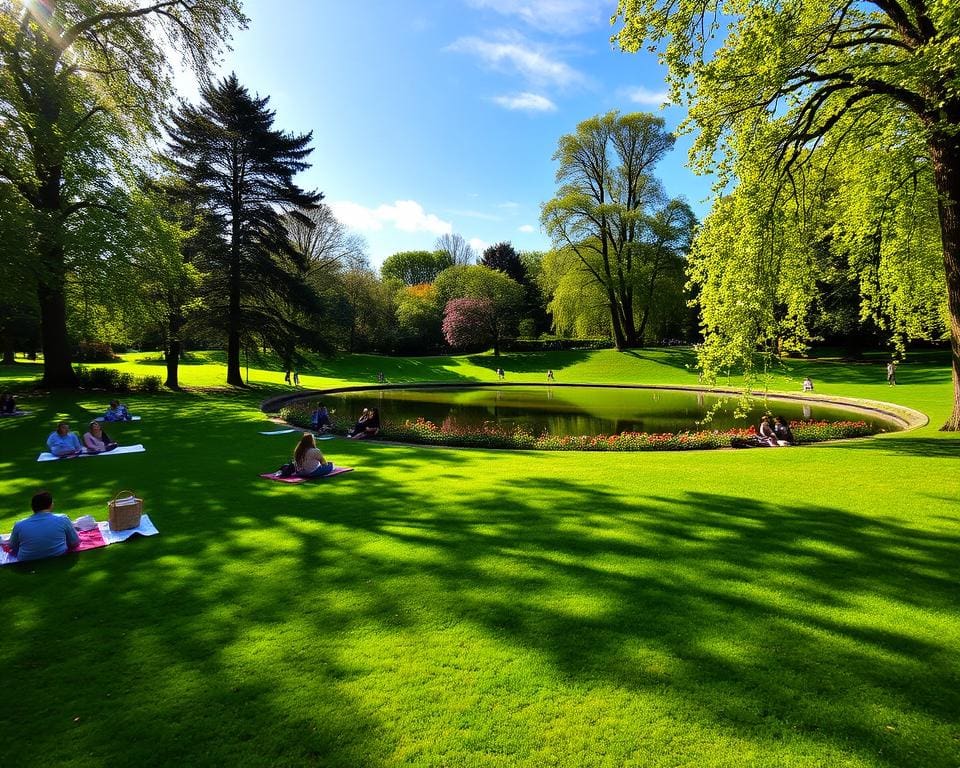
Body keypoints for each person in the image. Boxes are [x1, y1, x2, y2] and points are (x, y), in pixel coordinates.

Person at [5, 491, 80, 562]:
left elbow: (12, 546)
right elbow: (74, 542)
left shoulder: (19, 525)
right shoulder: (63, 519)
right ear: (51, 505)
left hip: (27, 560)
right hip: (58, 555)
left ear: (32, 507)